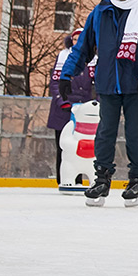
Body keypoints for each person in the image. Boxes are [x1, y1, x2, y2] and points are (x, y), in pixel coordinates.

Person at [61, 0, 138, 209]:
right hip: (107, 82)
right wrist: (67, 74)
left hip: (137, 83)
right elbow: (83, 48)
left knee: (135, 133)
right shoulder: (101, 11)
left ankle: (136, 179)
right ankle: (102, 178)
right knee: (105, 132)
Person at [47, 28, 94, 184]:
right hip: (64, 110)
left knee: (84, 145)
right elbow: (55, 82)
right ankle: (64, 180)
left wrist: (95, 104)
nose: (77, 42)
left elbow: (97, 85)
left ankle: (80, 179)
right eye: (75, 39)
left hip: (85, 112)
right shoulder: (63, 57)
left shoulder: (93, 59)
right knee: (64, 146)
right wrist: (62, 101)